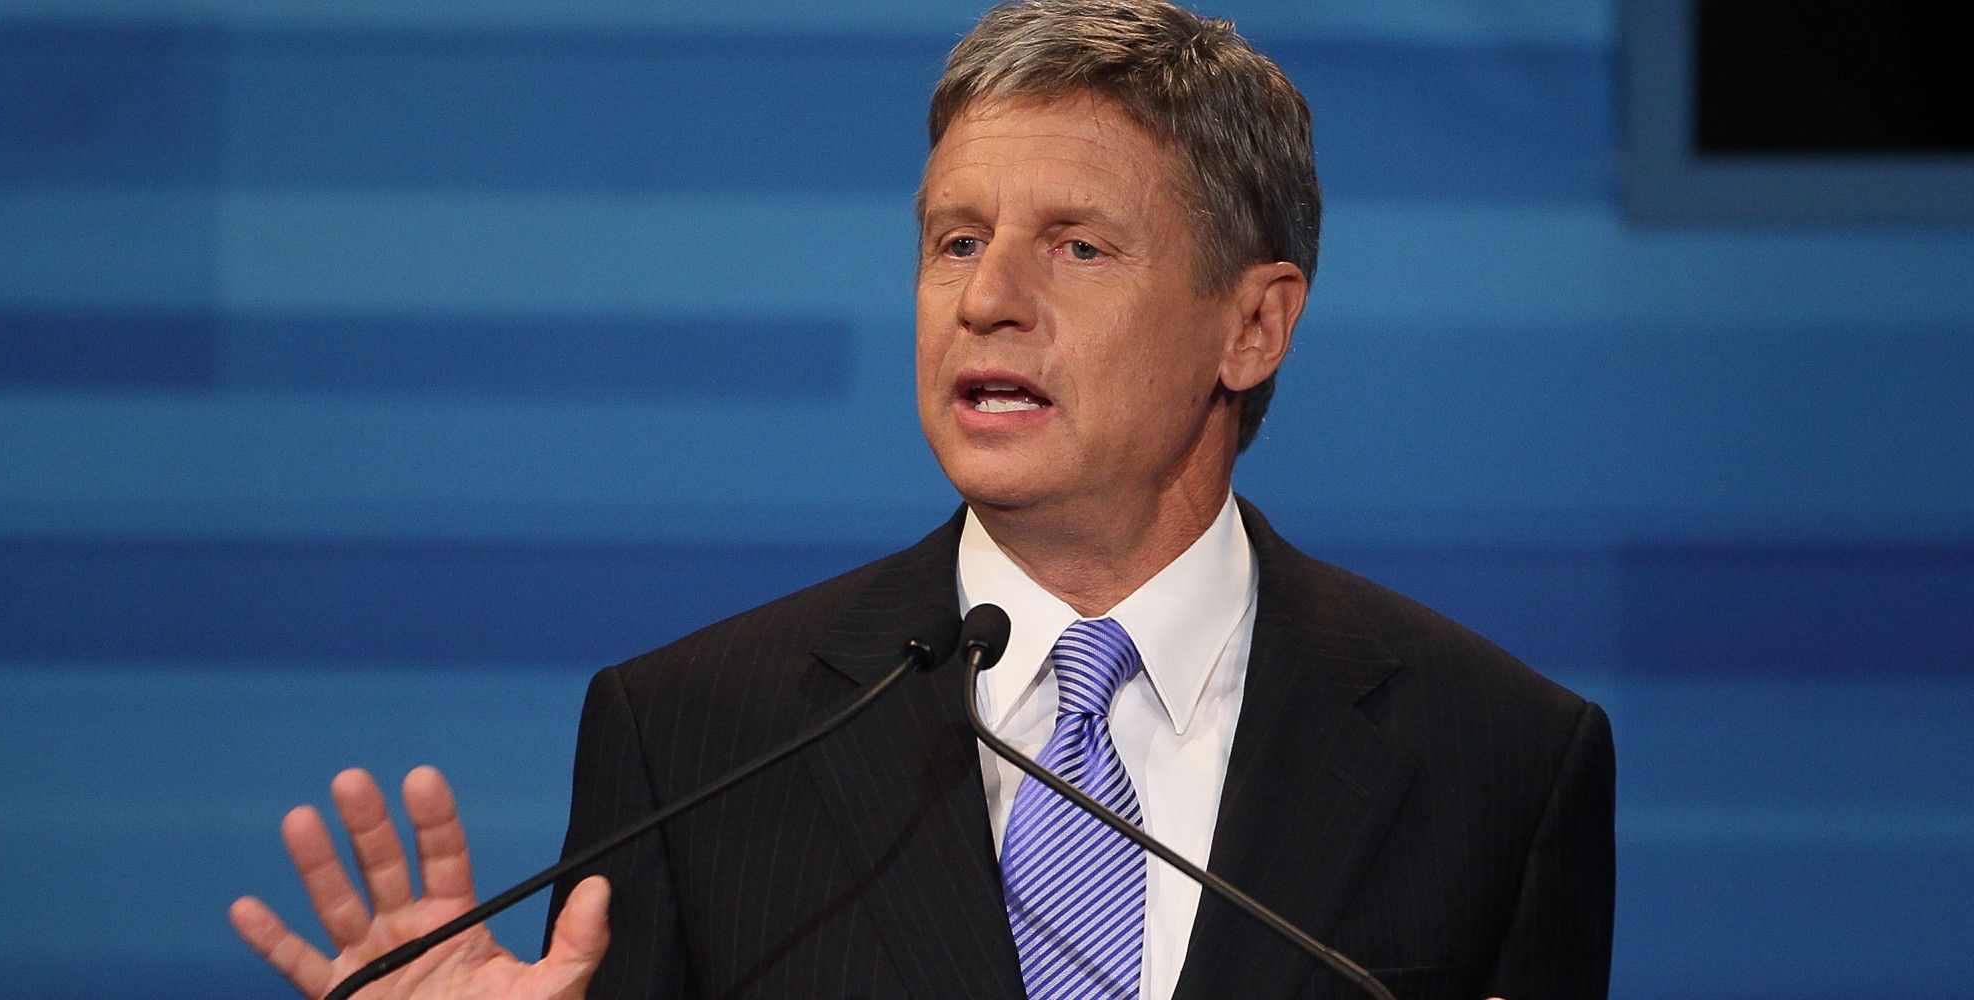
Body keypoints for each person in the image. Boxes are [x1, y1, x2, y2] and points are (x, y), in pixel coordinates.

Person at [230, 1, 1615, 998]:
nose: (986, 299)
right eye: (956, 240)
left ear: (1253, 327)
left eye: (1077, 246)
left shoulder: (1496, 758)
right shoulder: (696, 738)